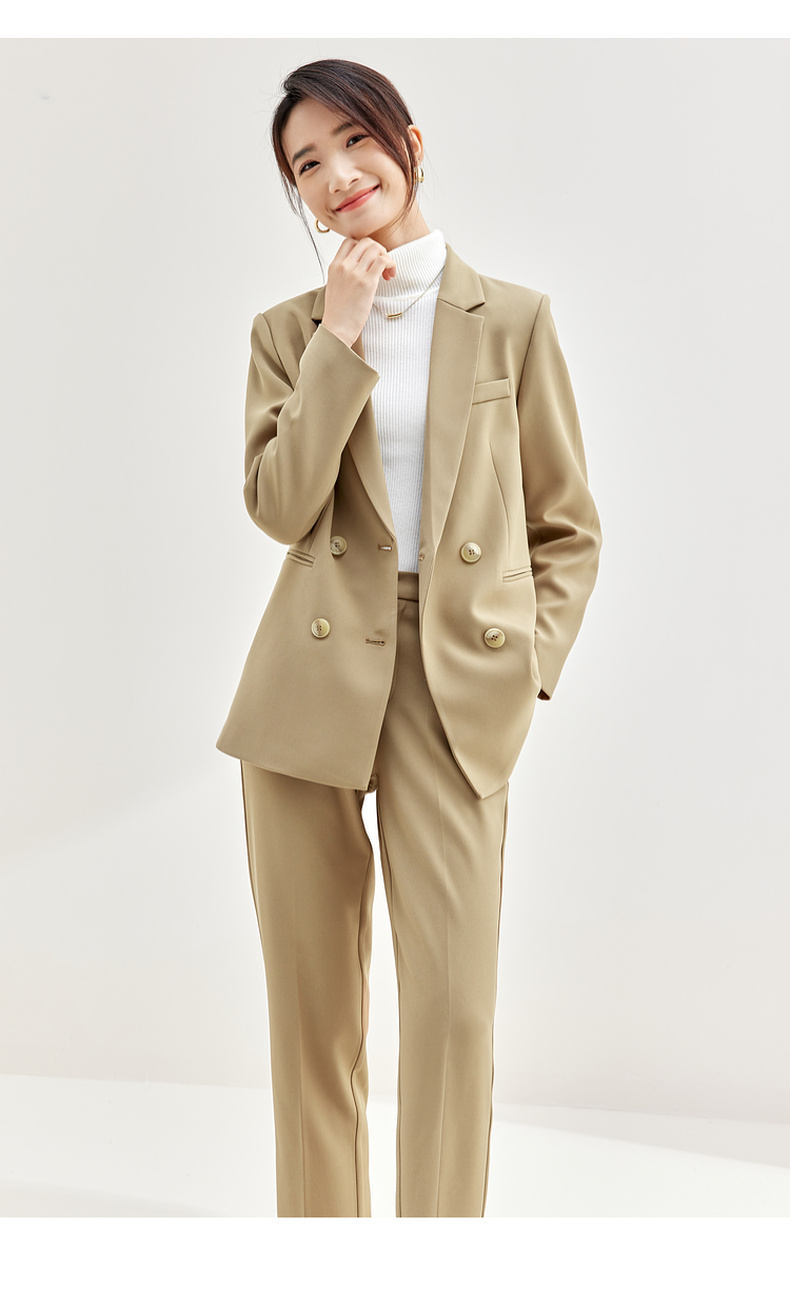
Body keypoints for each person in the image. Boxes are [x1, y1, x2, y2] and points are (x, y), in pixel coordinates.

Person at [216, 57, 602, 1218]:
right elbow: (280, 504)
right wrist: (338, 336)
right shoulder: (285, 332)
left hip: (455, 678)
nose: (337, 174)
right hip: (306, 686)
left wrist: (523, 663)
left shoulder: (512, 320)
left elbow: (566, 527)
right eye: (306, 164)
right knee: (312, 1019)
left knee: (451, 1012)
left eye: (354, 141)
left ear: (410, 143)